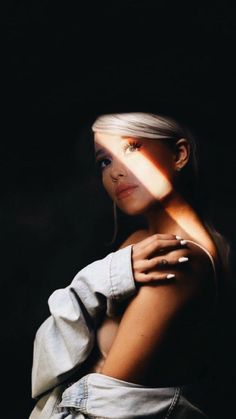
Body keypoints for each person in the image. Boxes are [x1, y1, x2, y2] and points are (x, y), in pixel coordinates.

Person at [29, 112, 229, 419]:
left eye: (132, 147)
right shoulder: (140, 244)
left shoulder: (176, 259)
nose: (115, 173)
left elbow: (105, 410)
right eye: (104, 161)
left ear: (179, 154)